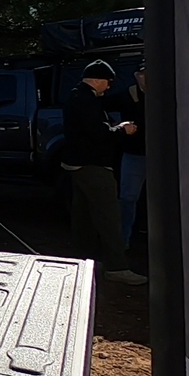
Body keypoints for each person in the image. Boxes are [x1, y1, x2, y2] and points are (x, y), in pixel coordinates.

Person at [62, 59, 147, 285]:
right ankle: (117, 267)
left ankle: (84, 262)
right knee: (109, 217)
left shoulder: (76, 95)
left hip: (76, 165)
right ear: (97, 80)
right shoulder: (87, 100)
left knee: (83, 218)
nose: (108, 87)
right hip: (93, 166)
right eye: (107, 82)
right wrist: (122, 129)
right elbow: (99, 133)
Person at [107, 62, 147, 247]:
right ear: (137, 75)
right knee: (128, 198)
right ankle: (122, 242)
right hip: (135, 154)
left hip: (165, 156)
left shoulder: (169, 91)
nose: (145, 77)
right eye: (142, 73)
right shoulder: (127, 95)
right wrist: (116, 128)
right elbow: (99, 106)